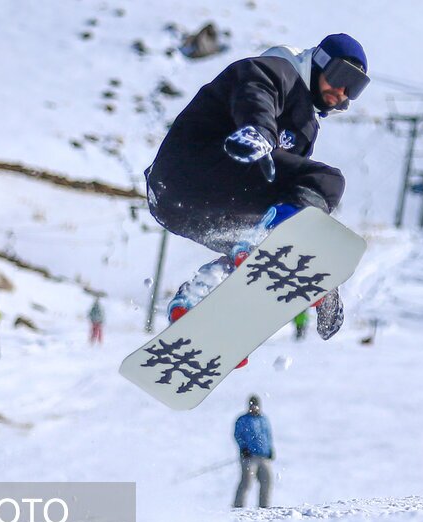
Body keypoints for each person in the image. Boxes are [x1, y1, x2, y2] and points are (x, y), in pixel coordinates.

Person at [145, 33, 371, 345]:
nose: (343, 91)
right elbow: (256, 92)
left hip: (178, 205)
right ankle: (272, 242)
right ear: (319, 63)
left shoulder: (305, 127)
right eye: (341, 75)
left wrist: (321, 279)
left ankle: (199, 301)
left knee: (245, 248)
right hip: (194, 166)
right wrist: (259, 130)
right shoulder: (280, 70)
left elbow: (290, 199)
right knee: (326, 182)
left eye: (354, 87)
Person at [233, 394, 275, 508]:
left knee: (267, 481)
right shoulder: (243, 420)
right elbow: (238, 435)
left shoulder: (263, 419)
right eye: (252, 405)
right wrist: (243, 448)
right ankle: (238, 506)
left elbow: (268, 436)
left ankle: (264, 507)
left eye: (256, 405)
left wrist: (270, 449)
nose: (254, 407)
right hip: (249, 457)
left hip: (264, 456)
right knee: (247, 481)